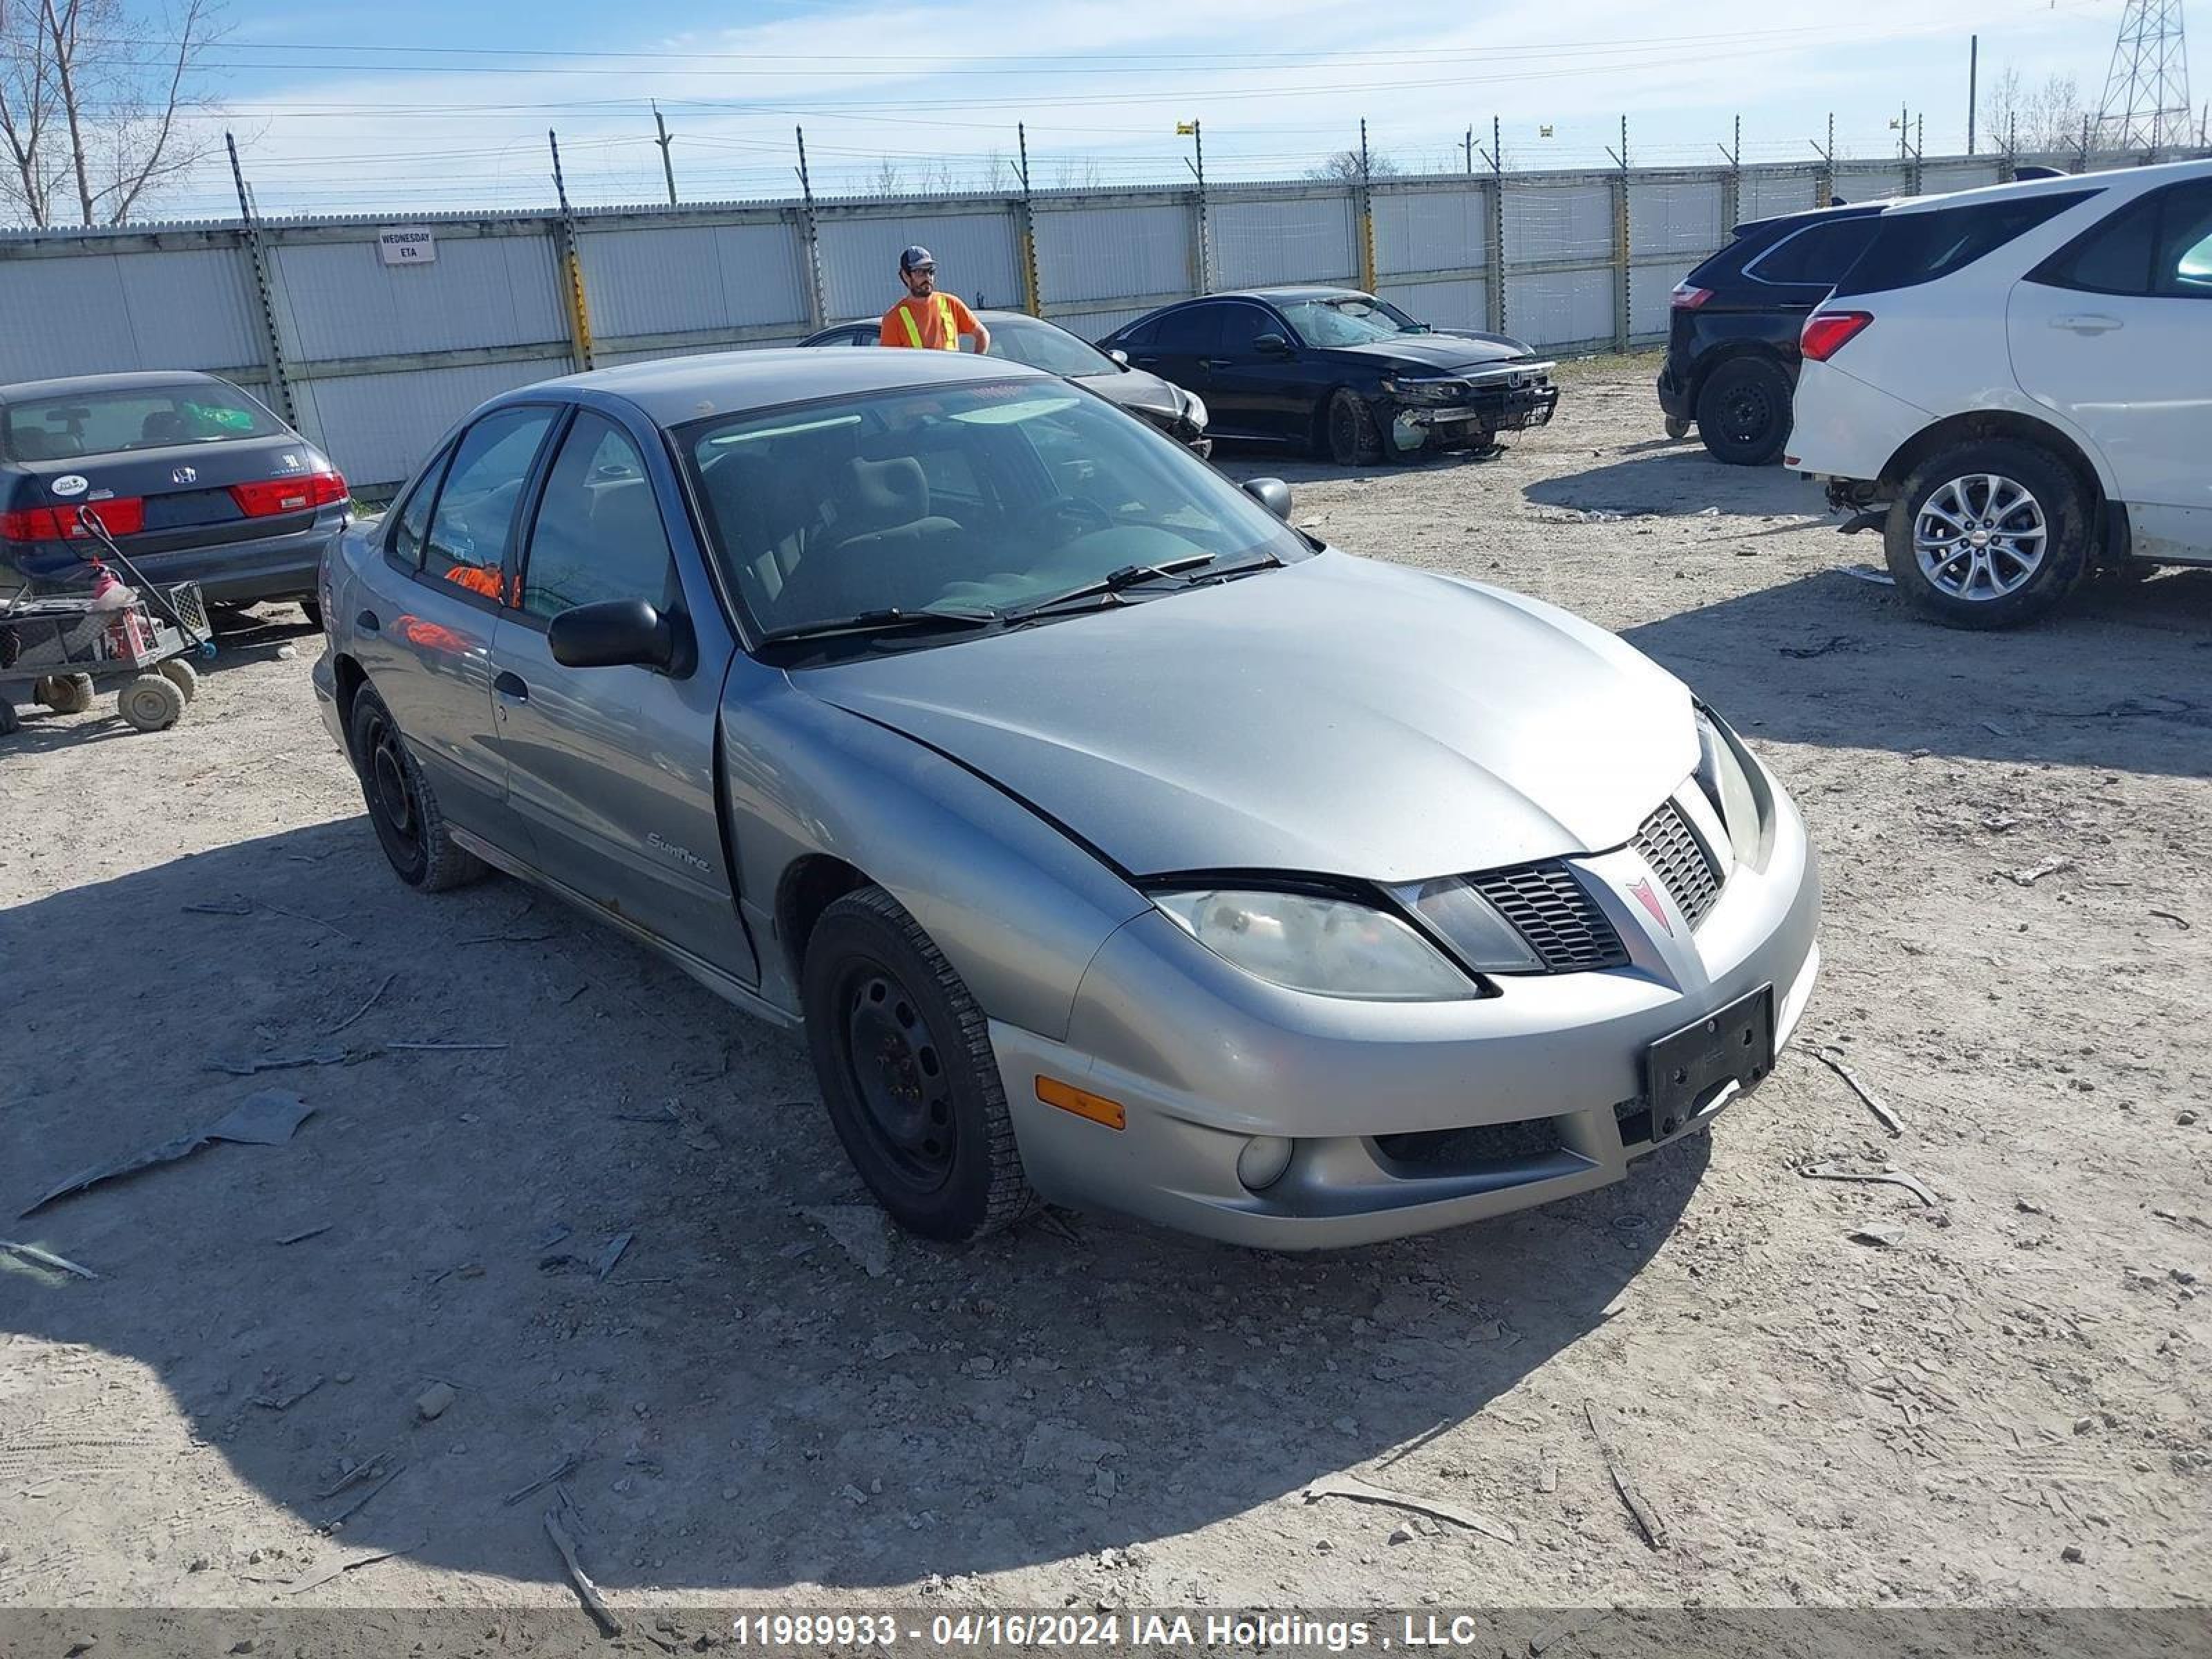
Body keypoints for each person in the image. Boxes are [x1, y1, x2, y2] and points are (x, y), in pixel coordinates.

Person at [879, 246, 990, 353]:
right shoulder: (893, 318)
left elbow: (982, 335)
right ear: (905, 276)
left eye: (930, 271)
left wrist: (975, 366)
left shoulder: (951, 303)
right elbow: (890, 362)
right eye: (920, 272)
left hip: (953, 372)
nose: (927, 277)